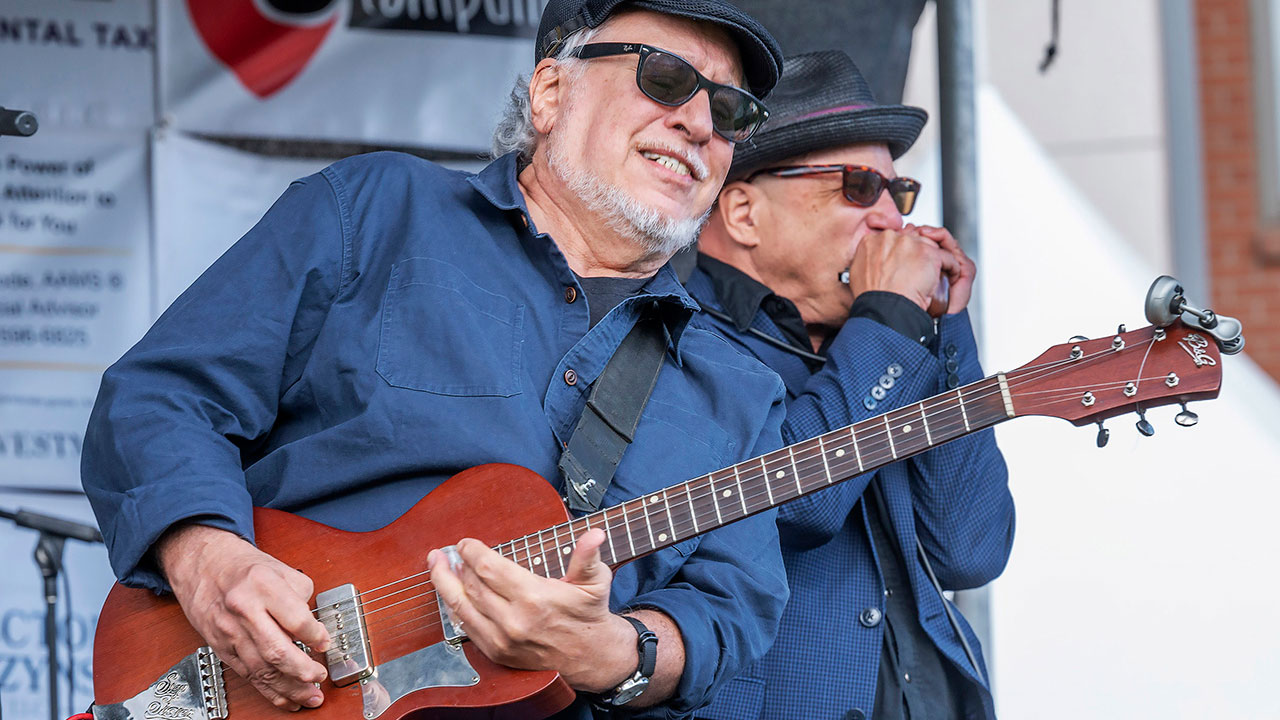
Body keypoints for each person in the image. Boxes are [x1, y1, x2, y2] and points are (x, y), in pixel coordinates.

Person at [80, 2, 792, 718]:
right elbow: (165, 396)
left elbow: (727, 609)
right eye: (665, 78)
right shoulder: (378, 210)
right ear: (551, 93)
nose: (700, 123)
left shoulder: (740, 389)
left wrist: (611, 650)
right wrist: (208, 559)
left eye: (731, 110)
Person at [686, 51, 1014, 720]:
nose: (891, 218)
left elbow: (969, 550)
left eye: (900, 193)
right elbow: (792, 505)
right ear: (743, 212)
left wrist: (945, 331)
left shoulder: (880, 345)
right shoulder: (678, 333)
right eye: (859, 187)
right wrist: (889, 320)